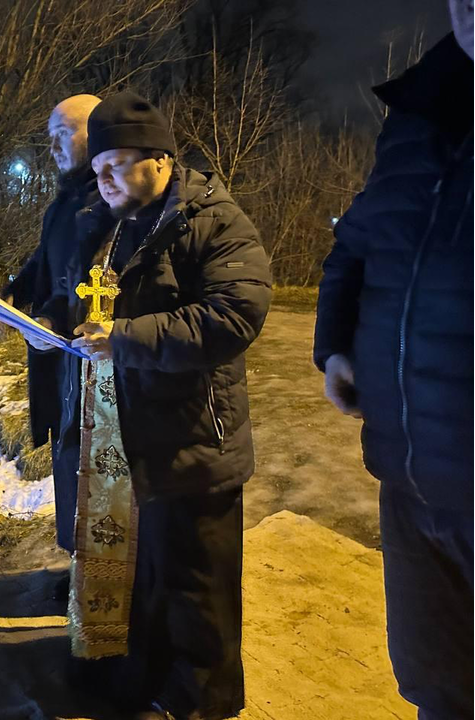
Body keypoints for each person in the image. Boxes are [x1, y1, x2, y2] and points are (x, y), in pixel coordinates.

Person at [25, 91, 271, 720]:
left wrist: (127, 339)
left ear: (159, 160)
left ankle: (204, 703)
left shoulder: (211, 219)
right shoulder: (114, 220)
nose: (101, 182)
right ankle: (146, 684)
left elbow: (234, 315)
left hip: (196, 438)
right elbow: (81, 300)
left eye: (114, 168)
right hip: (129, 435)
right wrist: (46, 321)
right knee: (147, 578)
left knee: (198, 587)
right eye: (97, 169)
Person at [314, 2, 474, 716]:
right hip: (406, 476)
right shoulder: (417, 113)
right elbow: (357, 240)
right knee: (433, 687)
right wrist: (336, 346)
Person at [1, 94, 101, 563]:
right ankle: (75, 566)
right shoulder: (65, 201)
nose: (54, 146)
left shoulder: (110, 201)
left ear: (97, 131)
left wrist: (50, 319)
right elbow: (47, 258)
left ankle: (100, 577)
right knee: (67, 454)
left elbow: (89, 281)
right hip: (61, 358)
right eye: (51, 136)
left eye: (64, 132)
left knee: (91, 462)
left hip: (94, 360)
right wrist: (13, 294)